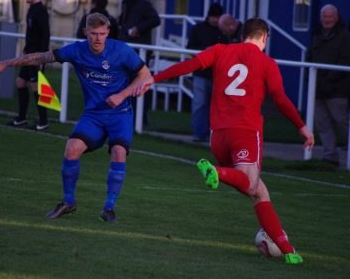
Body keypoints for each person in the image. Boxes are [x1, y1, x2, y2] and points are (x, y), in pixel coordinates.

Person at [134, 18, 314, 264]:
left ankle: (289, 251)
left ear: (242, 35)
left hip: (218, 135)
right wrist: (302, 126)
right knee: (251, 184)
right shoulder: (266, 62)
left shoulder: (220, 50)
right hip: (245, 132)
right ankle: (217, 172)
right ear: (265, 37)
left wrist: (154, 79)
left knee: (259, 192)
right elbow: (280, 99)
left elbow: (189, 65)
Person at [0, 13, 151, 222]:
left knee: (118, 152)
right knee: (72, 148)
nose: (98, 38)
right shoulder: (76, 50)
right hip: (94, 115)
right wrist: (6, 63)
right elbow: (40, 57)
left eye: (101, 33)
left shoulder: (121, 50)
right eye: (93, 34)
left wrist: (122, 95)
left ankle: (109, 208)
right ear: (85, 33)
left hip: (120, 115)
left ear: (107, 32)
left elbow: (146, 76)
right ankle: (68, 202)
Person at [306, 4, 350, 166]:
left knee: (342, 120)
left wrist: (329, 81)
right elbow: (309, 56)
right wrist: (309, 79)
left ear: (336, 17)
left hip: (337, 89)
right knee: (322, 123)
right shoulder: (317, 34)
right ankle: (329, 156)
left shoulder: (344, 36)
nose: (327, 20)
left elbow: (345, 61)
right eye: (325, 16)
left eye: (330, 16)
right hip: (317, 87)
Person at [8, 0, 50, 131]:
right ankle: (22, 118)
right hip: (29, 54)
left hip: (36, 56)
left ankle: (43, 121)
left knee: (36, 87)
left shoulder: (41, 11)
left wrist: (42, 57)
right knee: (20, 82)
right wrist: (26, 50)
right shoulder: (31, 9)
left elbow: (45, 35)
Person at [118, 0, 160, 127]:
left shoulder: (143, 4)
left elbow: (155, 19)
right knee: (125, 86)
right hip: (127, 51)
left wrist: (138, 29)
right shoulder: (126, 3)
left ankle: (139, 120)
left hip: (139, 53)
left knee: (138, 86)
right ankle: (128, 118)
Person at [187, 2, 224, 142]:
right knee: (199, 104)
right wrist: (206, 51)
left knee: (215, 107)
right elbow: (190, 48)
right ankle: (198, 133)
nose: (215, 19)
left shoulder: (223, 31)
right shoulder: (198, 29)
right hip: (201, 73)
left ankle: (212, 135)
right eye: (213, 16)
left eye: (218, 17)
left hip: (218, 75)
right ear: (208, 16)